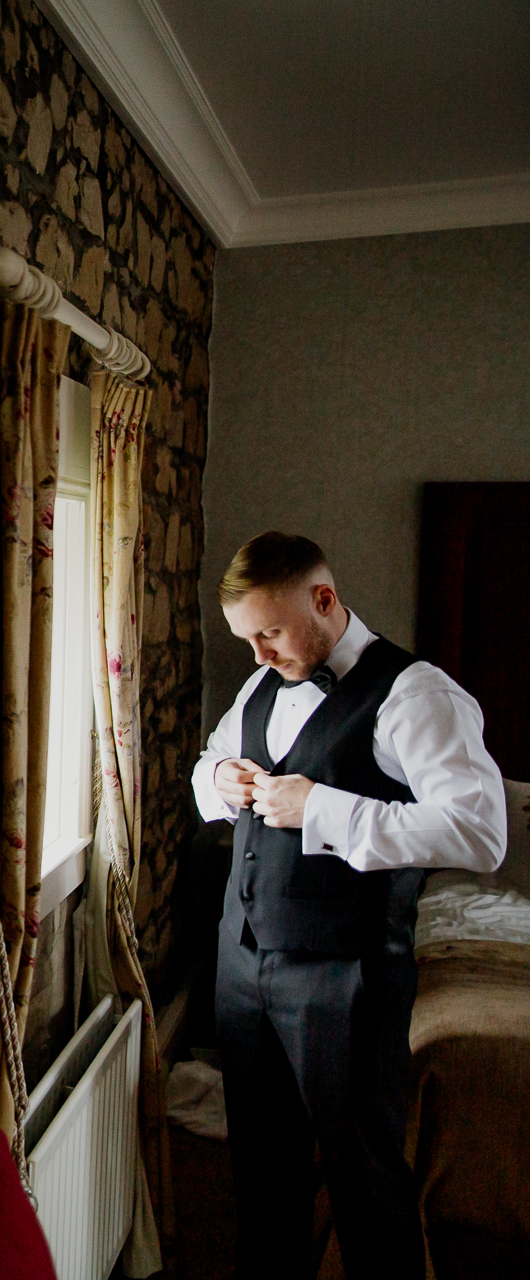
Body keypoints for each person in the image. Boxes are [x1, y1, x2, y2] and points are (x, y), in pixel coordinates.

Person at [193, 532, 505, 1280]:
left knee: (365, 1181)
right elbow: (208, 763)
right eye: (248, 639)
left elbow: (480, 829)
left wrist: (324, 808)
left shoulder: (416, 694)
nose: (260, 656)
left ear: (324, 600)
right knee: (262, 1176)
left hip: (346, 977)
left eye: (270, 632)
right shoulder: (262, 682)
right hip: (243, 963)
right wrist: (225, 779)